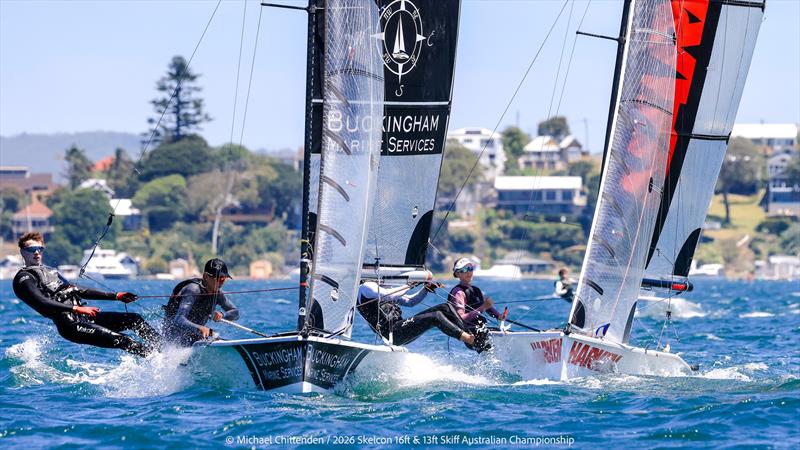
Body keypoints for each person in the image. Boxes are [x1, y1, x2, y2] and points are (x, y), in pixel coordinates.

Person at [12, 232, 158, 357]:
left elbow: (77, 290)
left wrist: (116, 296)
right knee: (124, 340)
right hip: (70, 325)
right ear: (23, 252)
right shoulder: (23, 278)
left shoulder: (51, 272)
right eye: (32, 249)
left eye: (40, 248)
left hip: (85, 317)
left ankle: (165, 347)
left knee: (134, 319)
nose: (37, 252)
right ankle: (158, 360)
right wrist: (76, 309)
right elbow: (41, 302)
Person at [356, 280, 489, 352]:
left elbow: (410, 301)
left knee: (445, 307)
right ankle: (468, 339)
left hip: (402, 328)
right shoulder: (365, 287)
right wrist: (409, 284)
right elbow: (391, 295)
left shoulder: (380, 287)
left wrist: (425, 289)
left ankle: (473, 339)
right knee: (435, 316)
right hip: (392, 334)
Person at [162, 258, 239, 347]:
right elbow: (179, 319)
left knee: (213, 335)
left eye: (223, 279)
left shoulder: (217, 293)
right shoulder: (192, 290)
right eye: (218, 279)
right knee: (209, 334)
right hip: (173, 339)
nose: (221, 283)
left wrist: (223, 315)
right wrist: (200, 328)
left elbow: (235, 312)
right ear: (206, 276)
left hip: (193, 336)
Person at [448, 257, 507, 334]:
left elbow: (488, 308)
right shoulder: (458, 292)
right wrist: (483, 307)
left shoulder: (477, 290)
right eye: (464, 270)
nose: (468, 272)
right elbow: (460, 319)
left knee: (506, 333)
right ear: (457, 274)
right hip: (469, 333)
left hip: (481, 329)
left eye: (470, 268)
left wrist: (499, 316)